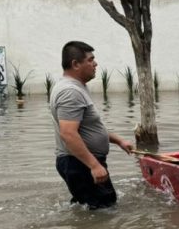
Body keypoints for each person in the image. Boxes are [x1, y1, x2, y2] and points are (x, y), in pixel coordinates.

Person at [49, 41, 133, 209]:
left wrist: (119, 141)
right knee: (105, 211)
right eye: (90, 60)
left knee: (91, 209)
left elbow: (88, 128)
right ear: (75, 64)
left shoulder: (76, 88)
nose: (95, 64)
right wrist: (94, 165)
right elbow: (69, 134)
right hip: (80, 163)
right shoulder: (70, 92)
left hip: (81, 163)